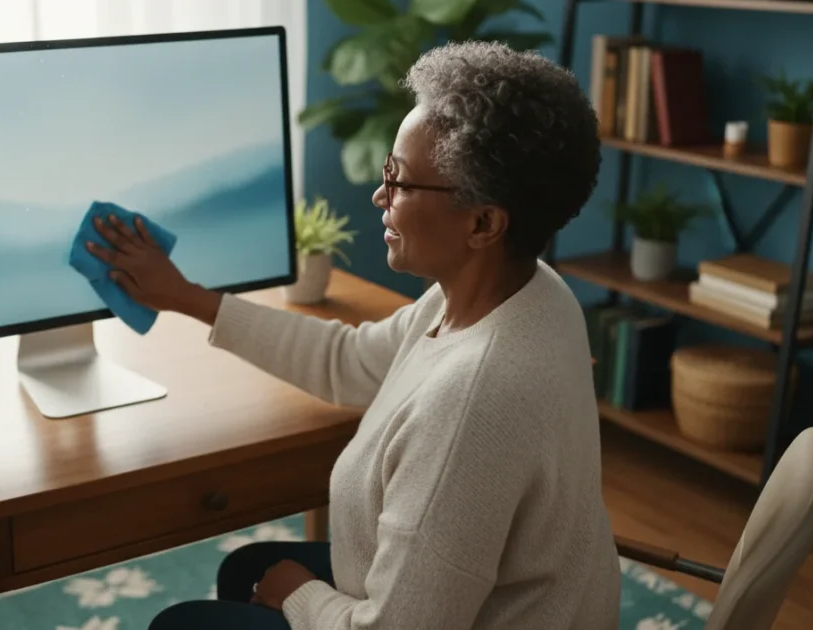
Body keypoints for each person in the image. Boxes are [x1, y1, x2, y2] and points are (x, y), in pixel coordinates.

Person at [85, 41, 620, 630]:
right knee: (249, 570)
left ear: (484, 223)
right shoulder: (524, 291)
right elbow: (348, 361)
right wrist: (186, 297)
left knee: (184, 623)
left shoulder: (475, 398)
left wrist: (299, 597)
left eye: (401, 181)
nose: (379, 196)